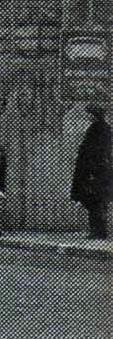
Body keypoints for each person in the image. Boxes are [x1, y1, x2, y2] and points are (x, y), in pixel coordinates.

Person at [70, 102, 112, 240]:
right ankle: (98, 230)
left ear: (93, 115)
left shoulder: (99, 129)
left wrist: (92, 171)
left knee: (95, 201)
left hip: (95, 172)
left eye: (89, 114)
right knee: (94, 201)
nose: (87, 116)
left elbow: (98, 152)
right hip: (95, 171)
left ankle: (98, 231)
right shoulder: (100, 128)